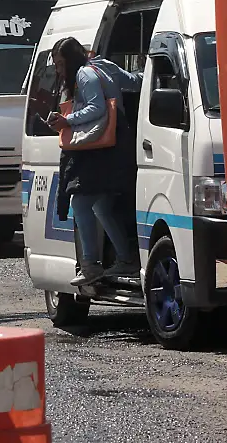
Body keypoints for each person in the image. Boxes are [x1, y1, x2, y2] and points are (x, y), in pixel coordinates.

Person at [47, 37, 143, 286]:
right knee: (101, 205)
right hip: (116, 144)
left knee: (80, 203)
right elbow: (135, 82)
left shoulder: (83, 75)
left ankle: (90, 265)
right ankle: (126, 258)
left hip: (98, 149)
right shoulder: (104, 66)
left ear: (70, 60)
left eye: (59, 64)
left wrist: (68, 120)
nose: (58, 70)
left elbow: (97, 108)